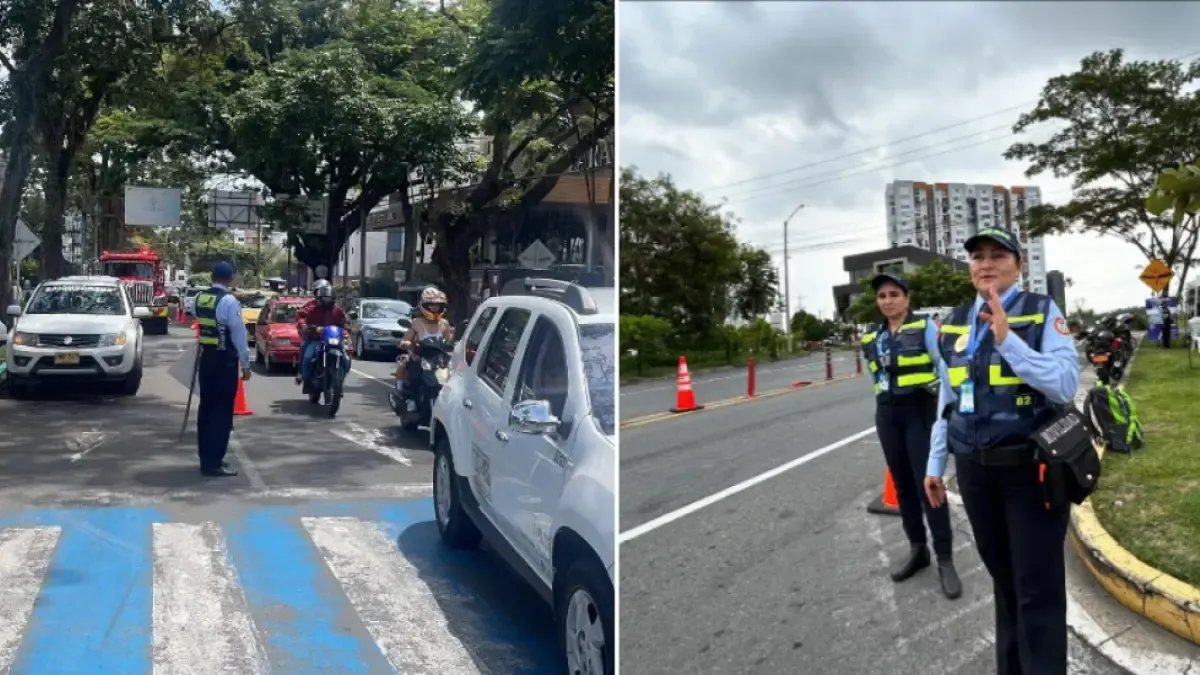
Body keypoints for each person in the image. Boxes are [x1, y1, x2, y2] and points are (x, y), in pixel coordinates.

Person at [924, 227, 1079, 675]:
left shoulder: (1040, 312)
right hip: (975, 473)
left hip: (1030, 473)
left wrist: (1009, 341)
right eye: (977, 257)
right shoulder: (953, 322)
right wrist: (936, 463)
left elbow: (1066, 383)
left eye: (997, 255)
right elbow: (948, 400)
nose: (986, 264)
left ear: (1019, 264)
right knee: (1005, 583)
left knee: (1037, 589)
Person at [861, 272, 961, 599]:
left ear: (906, 298)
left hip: (921, 413)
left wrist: (948, 410)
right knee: (903, 486)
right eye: (882, 296)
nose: (887, 301)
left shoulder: (926, 329)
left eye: (893, 294)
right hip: (888, 415)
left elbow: (943, 370)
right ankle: (918, 549)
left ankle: (945, 558)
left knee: (928, 484)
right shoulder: (872, 337)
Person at [192, 261, 250, 477]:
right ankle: (214, 461)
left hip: (206, 357)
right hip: (225, 361)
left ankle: (204, 457)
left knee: (206, 408)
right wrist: (246, 364)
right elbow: (239, 335)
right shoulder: (228, 301)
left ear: (212, 277)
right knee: (222, 412)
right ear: (229, 278)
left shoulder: (199, 298)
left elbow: (197, 320)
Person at [395, 286, 453, 410]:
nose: (435, 308)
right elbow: (406, 338)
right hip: (419, 356)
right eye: (431, 305)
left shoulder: (444, 324)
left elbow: (449, 341)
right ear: (425, 305)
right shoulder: (416, 322)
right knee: (404, 367)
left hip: (439, 359)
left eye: (438, 305)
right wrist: (406, 343)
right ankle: (403, 397)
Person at [295, 279, 349, 387]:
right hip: (316, 339)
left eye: (328, 294)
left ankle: (340, 378)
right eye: (322, 294)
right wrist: (309, 327)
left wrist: (349, 327)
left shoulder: (338, 310)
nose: (326, 297)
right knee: (307, 356)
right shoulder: (312, 308)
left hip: (334, 340)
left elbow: (344, 322)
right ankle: (305, 376)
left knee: (346, 358)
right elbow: (304, 319)